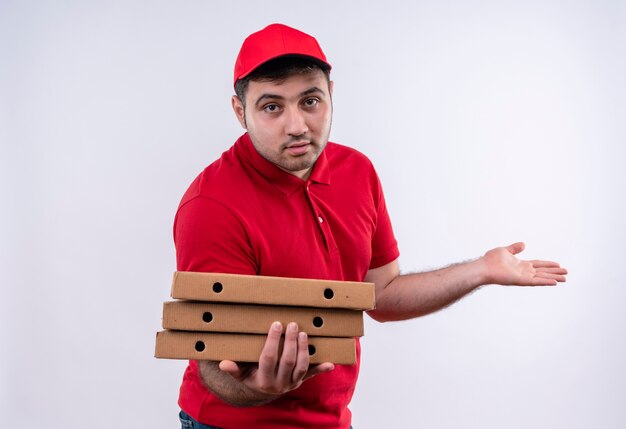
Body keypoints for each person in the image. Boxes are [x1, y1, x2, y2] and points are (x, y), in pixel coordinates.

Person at [173, 23, 567, 429]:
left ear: (331, 95)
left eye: (310, 101)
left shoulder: (356, 172)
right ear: (240, 112)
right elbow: (213, 366)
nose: (297, 126)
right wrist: (260, 387)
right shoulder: (212, 205)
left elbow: (381, 293)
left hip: (330, 420)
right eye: (272, 107)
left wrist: (481, 270)